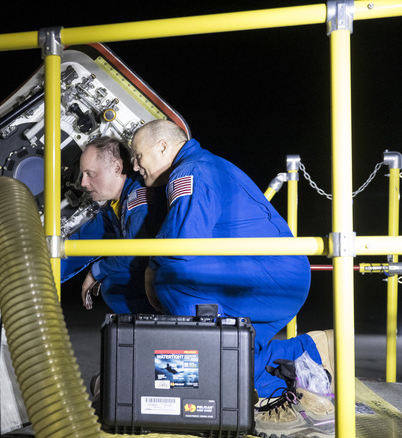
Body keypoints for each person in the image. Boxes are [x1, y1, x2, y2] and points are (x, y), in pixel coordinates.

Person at [130, 120, 334, 436]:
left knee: (172, 277)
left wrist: (151, 266)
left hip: (266, 276)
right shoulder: (206, 164)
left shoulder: (188, 171)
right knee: (240, 357)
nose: (134, 165)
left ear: (163, 147)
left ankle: (197, 387)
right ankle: (311, 352)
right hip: (279, 278)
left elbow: (183, 243)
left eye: (137, 154)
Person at [61, 136, 166, 314]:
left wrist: (96, 271)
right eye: (83, 174)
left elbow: (136, 254)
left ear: (117, 168)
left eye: (90, 174)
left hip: (183, 280)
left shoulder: (139, 197)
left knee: (114, 286)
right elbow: (78, 248)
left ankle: (162, 334)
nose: (83, 183)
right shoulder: (114, 207)